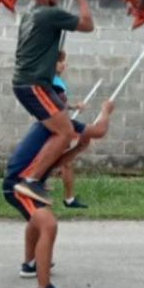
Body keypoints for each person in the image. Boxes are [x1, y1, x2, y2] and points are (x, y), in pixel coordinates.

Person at [3, 101, 114, 288]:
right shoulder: (56, 124)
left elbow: (53, 163)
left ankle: (30, 265)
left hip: (25, 184)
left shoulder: (57, 125)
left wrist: (79, 148)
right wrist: (106, 111)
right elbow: (99, 130)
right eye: (58, 98)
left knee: (37, 220)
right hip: (17, 185)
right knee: (48, 224)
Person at [11, 0, 94, 204]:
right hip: (34, 83)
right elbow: (88, 24)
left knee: (58, 131)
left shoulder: (29, 15)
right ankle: (31, 180)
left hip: (27, 83)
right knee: (66, 132)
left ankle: (36, 177)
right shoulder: (50, 14)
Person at [51, 51, 90, 209]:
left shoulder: (56, 81)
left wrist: (74, 106)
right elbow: (56, 105)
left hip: (62, 124)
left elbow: (59, 103)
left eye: (64, 61)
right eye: (61, 61)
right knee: (64, 162)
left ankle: (69, 199)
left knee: (66, 163)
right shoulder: (52, 82)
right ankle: (68, 199)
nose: (64, 64)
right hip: (58, 126)